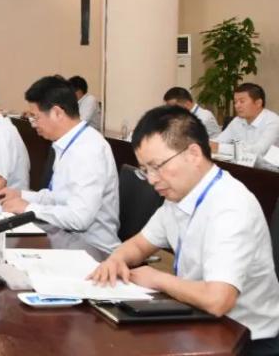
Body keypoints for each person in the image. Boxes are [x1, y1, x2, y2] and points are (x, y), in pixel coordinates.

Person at [89, 105, 279, 353]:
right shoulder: (178, 196)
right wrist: (116, 259)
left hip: (245, 338)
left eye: (157, 166)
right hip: (198, 319)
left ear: (193, 154)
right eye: (146, 170)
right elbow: (139, 244)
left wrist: (157, 279)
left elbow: (218, 299)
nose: (152, 179)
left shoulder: (231, 206)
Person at [0, 76, 120, 254]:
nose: (33, 124)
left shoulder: (88, 149)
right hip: (66, 240)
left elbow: (79, 218)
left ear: (57, 113)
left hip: (93, 251)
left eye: (36, 117)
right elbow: (58, 197)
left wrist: (28, 208)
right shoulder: (66, 144)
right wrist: (21, 195)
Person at [211, 83, 279, 164]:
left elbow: (258, 151)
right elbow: (219, 141)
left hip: (267, 170)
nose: (237, 106)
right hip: (240, 167)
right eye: (235, 102)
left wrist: (220, 148)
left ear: (258, 103)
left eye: (242, 101)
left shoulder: (273, 122)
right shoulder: (237, 121)